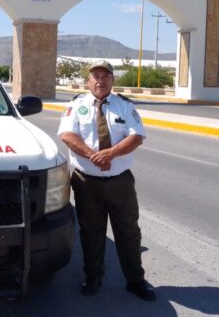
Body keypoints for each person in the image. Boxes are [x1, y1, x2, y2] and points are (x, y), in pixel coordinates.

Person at [57, 60, 156, 301]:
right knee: (91, 232)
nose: (100, 81)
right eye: (96, 77)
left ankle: (135, 281)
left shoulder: (125, 106)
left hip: (119, 182)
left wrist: (110, 154)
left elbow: (136, 137)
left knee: (129, 232)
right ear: (88, 81)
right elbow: (68, 135)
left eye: (105, 76)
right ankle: (93, 277)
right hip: (86, 181)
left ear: (112, 80)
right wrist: (94, 156)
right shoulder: (76, 105)